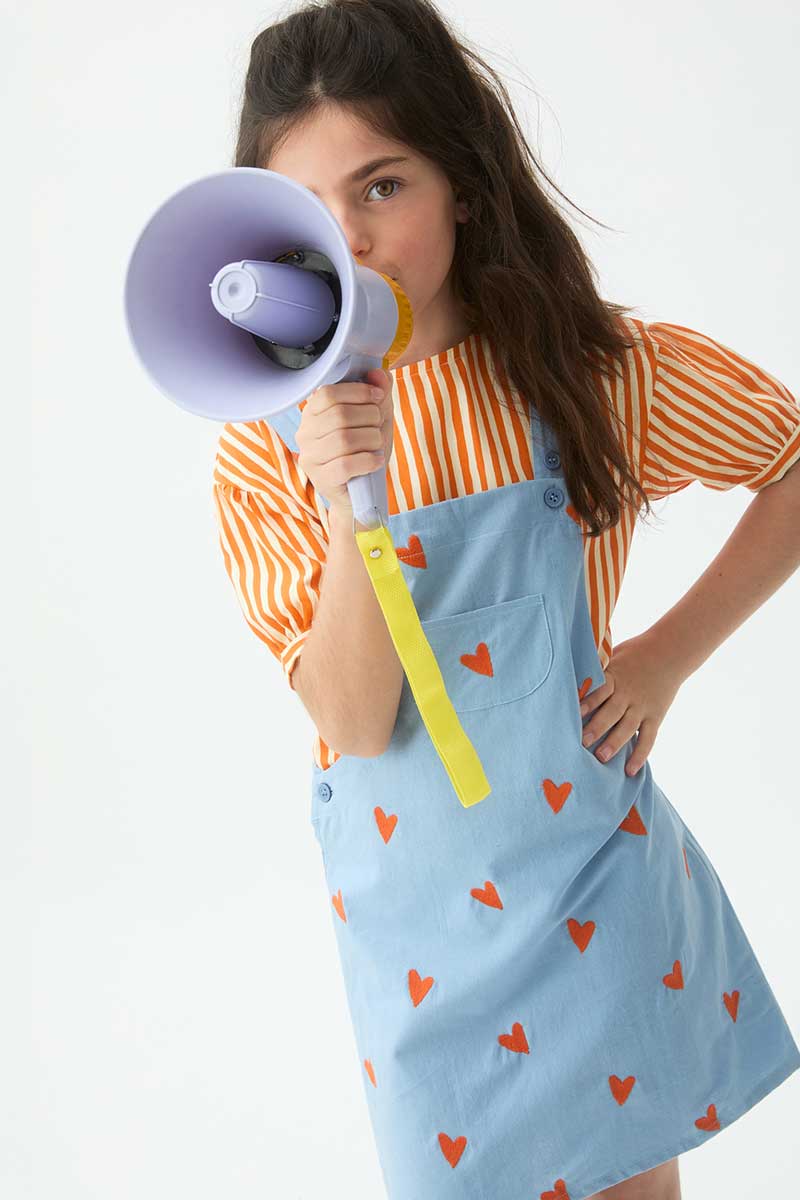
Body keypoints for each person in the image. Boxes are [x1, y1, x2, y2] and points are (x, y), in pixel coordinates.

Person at [211, 2, 800, 1197]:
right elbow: (354, 721)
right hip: (419, 941)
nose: (350, 241)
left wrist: (664, 656)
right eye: (309, 208)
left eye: (383, 186)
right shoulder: (263, 452)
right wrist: (347, 503)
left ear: (463, 187)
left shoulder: (592, 377)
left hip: (591, 886)